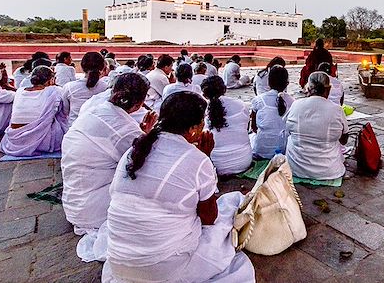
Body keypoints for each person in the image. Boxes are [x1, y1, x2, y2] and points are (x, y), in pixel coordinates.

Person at [103, 92, 254, 283]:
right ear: (193, 129)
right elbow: (209, 218)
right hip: (160, 268)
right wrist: (205, 158)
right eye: (202, 122)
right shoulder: (197, 160)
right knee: (229, 231)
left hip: (119, 262)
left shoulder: (133, 152)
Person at [61, 73, 157, 263]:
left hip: (74, 201)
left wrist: (141, 134)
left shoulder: (95, 108)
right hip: (94, 211)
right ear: (139, 104)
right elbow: (147, 166)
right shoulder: (125, 129)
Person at [285, 71, 348, 181]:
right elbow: (344, 140)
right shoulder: (337, 110)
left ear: (308, 88)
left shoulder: (296, 105)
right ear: (328, 89)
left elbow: (288, 131)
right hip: (330, 170)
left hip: (296, 169)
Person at [0, 66, 67, 156]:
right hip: (43, 142)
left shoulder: (19, 91)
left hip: (14, 141)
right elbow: (65, 111)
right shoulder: (55, 90)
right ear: (51, 80)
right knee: (62, 115)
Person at [202, 76, 252, 176]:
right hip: (243, 161)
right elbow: (246, 129)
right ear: (224, 89)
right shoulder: (241, 105)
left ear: (205, 94)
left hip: (215, 165)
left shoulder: (202, 109)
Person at [249, 66, 294, 159]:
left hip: (262, 152)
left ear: (269, 82)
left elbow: (253, 128)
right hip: (284, 150)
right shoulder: (293, 102)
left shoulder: (259, 100)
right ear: (286, 83)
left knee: (250, 137)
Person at [62, 52, 110, 126]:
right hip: (98, 130)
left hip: (74, 130)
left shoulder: (69, 87)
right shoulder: (106, 87)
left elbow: (65, 111)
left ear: (82, 67)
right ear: (102, 67)